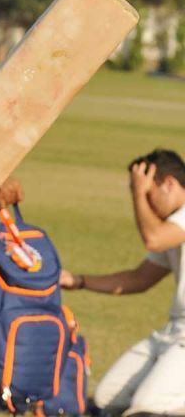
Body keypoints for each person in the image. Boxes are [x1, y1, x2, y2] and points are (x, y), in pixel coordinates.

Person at [60, 149, 185, 416]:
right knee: (106, 401)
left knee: (149, 406)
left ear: (170, 184)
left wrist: (139, 192)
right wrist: (78, 281)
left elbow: (154, 238)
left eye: (145, 191)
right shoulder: (174, 227)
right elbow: (139, 278)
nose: (141, 201)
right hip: (174, 333)